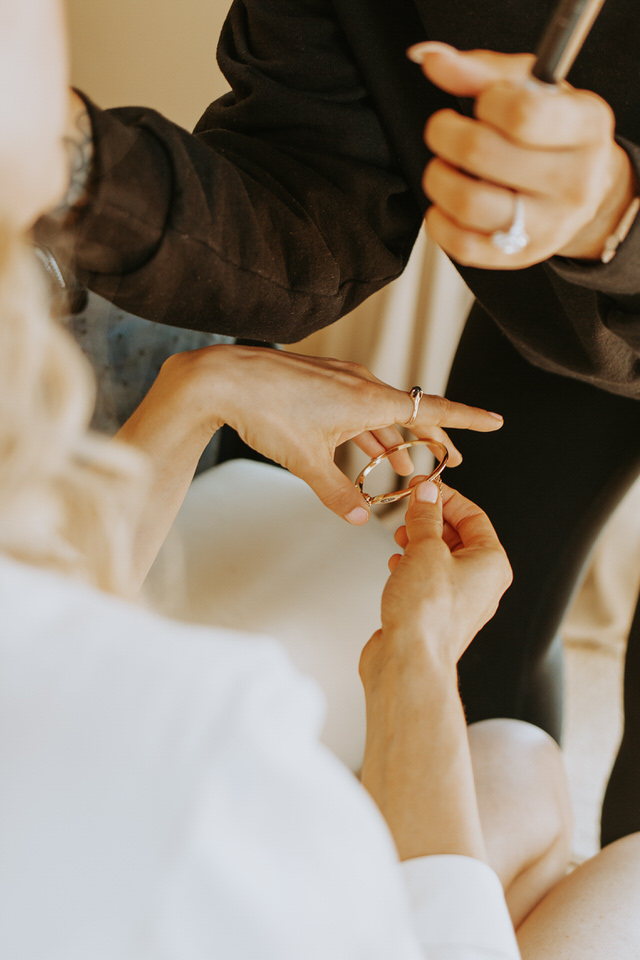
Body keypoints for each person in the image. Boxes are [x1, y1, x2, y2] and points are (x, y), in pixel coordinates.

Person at [39, 2, 640, 846]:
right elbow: (304, 184)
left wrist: (622, 216)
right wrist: (78, 166)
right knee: (504, 723)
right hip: (549, 326)